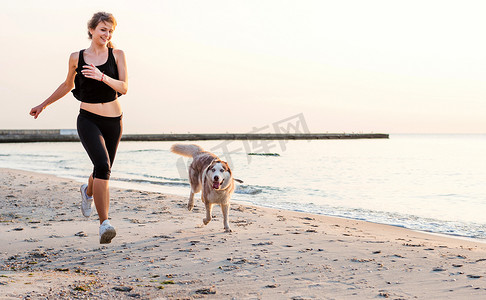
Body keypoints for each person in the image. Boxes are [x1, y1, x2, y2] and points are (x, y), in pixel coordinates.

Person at [30, 12, 128, 244]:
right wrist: (43, 104)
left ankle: (88, 191)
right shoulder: (77, 57)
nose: (107, 34)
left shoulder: (118, 55)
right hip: (88, 119)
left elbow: (124, 87)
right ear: (92, 30)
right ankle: (105, 224)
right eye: (103, 29)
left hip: (114, 121)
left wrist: (101, 76)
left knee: (102, 170)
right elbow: (67, 85)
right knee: (103, 166)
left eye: (111, 30)